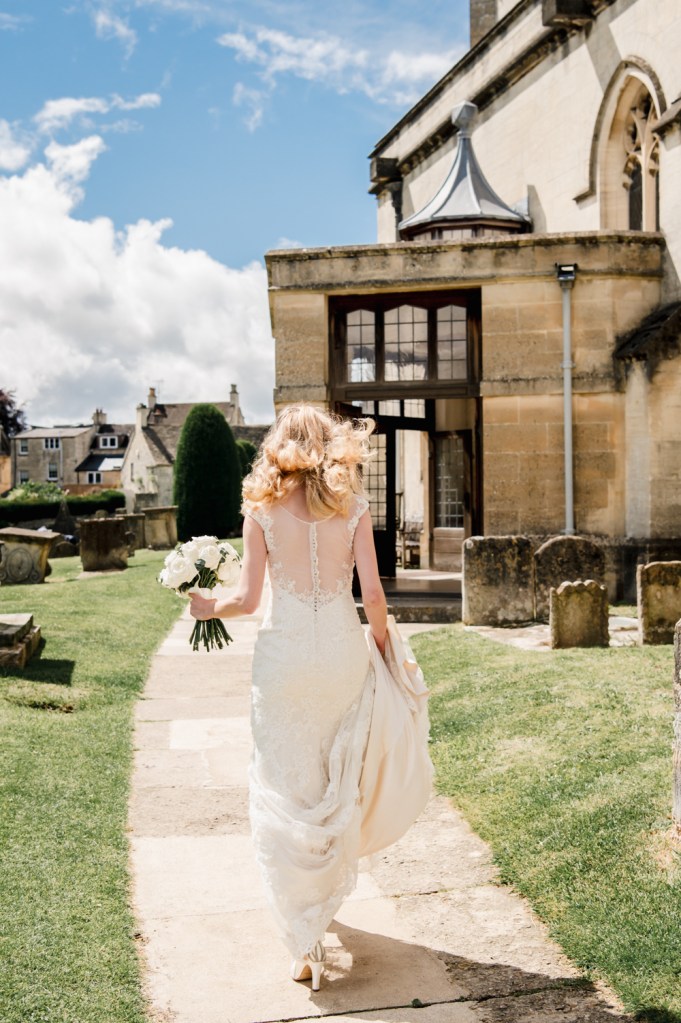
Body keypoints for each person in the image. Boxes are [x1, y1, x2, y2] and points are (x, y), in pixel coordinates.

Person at [189, 405, 387, 991]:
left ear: (278, 446)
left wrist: (207, 607)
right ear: (331, 445)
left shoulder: (262, 511)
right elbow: (371, 593)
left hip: (285, 660)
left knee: (285, 783)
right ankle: (320, 911)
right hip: (341, 656)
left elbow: (248, 601)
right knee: (333, 779)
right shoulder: (353, 508)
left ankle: (304, 938)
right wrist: (383, 648)